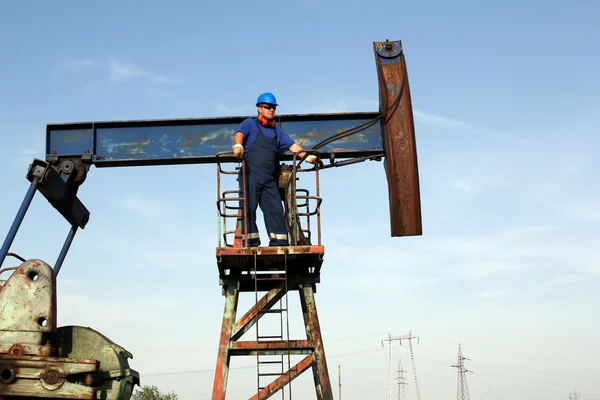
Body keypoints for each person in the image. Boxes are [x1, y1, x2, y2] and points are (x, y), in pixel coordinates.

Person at [233, 92, 317, 247]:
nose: (271, 110)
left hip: (268, 179)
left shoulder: (276, 131)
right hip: (250, 175)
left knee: (276, 210)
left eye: (273, 107)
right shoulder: (250, 124)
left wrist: (306, 157)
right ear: (259, 108)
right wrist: (238, 145)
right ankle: (250, 242)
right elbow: (239, 134)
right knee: (248, 208)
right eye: (267, 107)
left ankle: (279, 242)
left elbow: (293, 146)